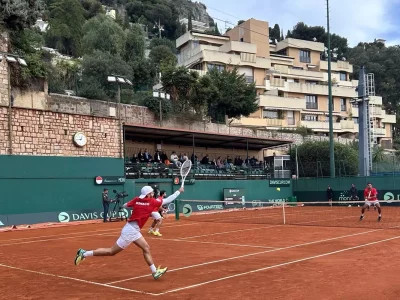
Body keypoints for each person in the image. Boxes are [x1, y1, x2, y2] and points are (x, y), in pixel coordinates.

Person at [74, 185, 184, 280]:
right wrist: (179, 191)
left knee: (146, 247)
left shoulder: (136, 199)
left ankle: (155, 272)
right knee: (112, 251)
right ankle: (84, 253)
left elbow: (125, 205)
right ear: (149, 194)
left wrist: (137, 207)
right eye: (151, 192)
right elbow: (168, 199)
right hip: (130, 231)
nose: (152, 194)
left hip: (133, 229)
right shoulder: (152, 202)